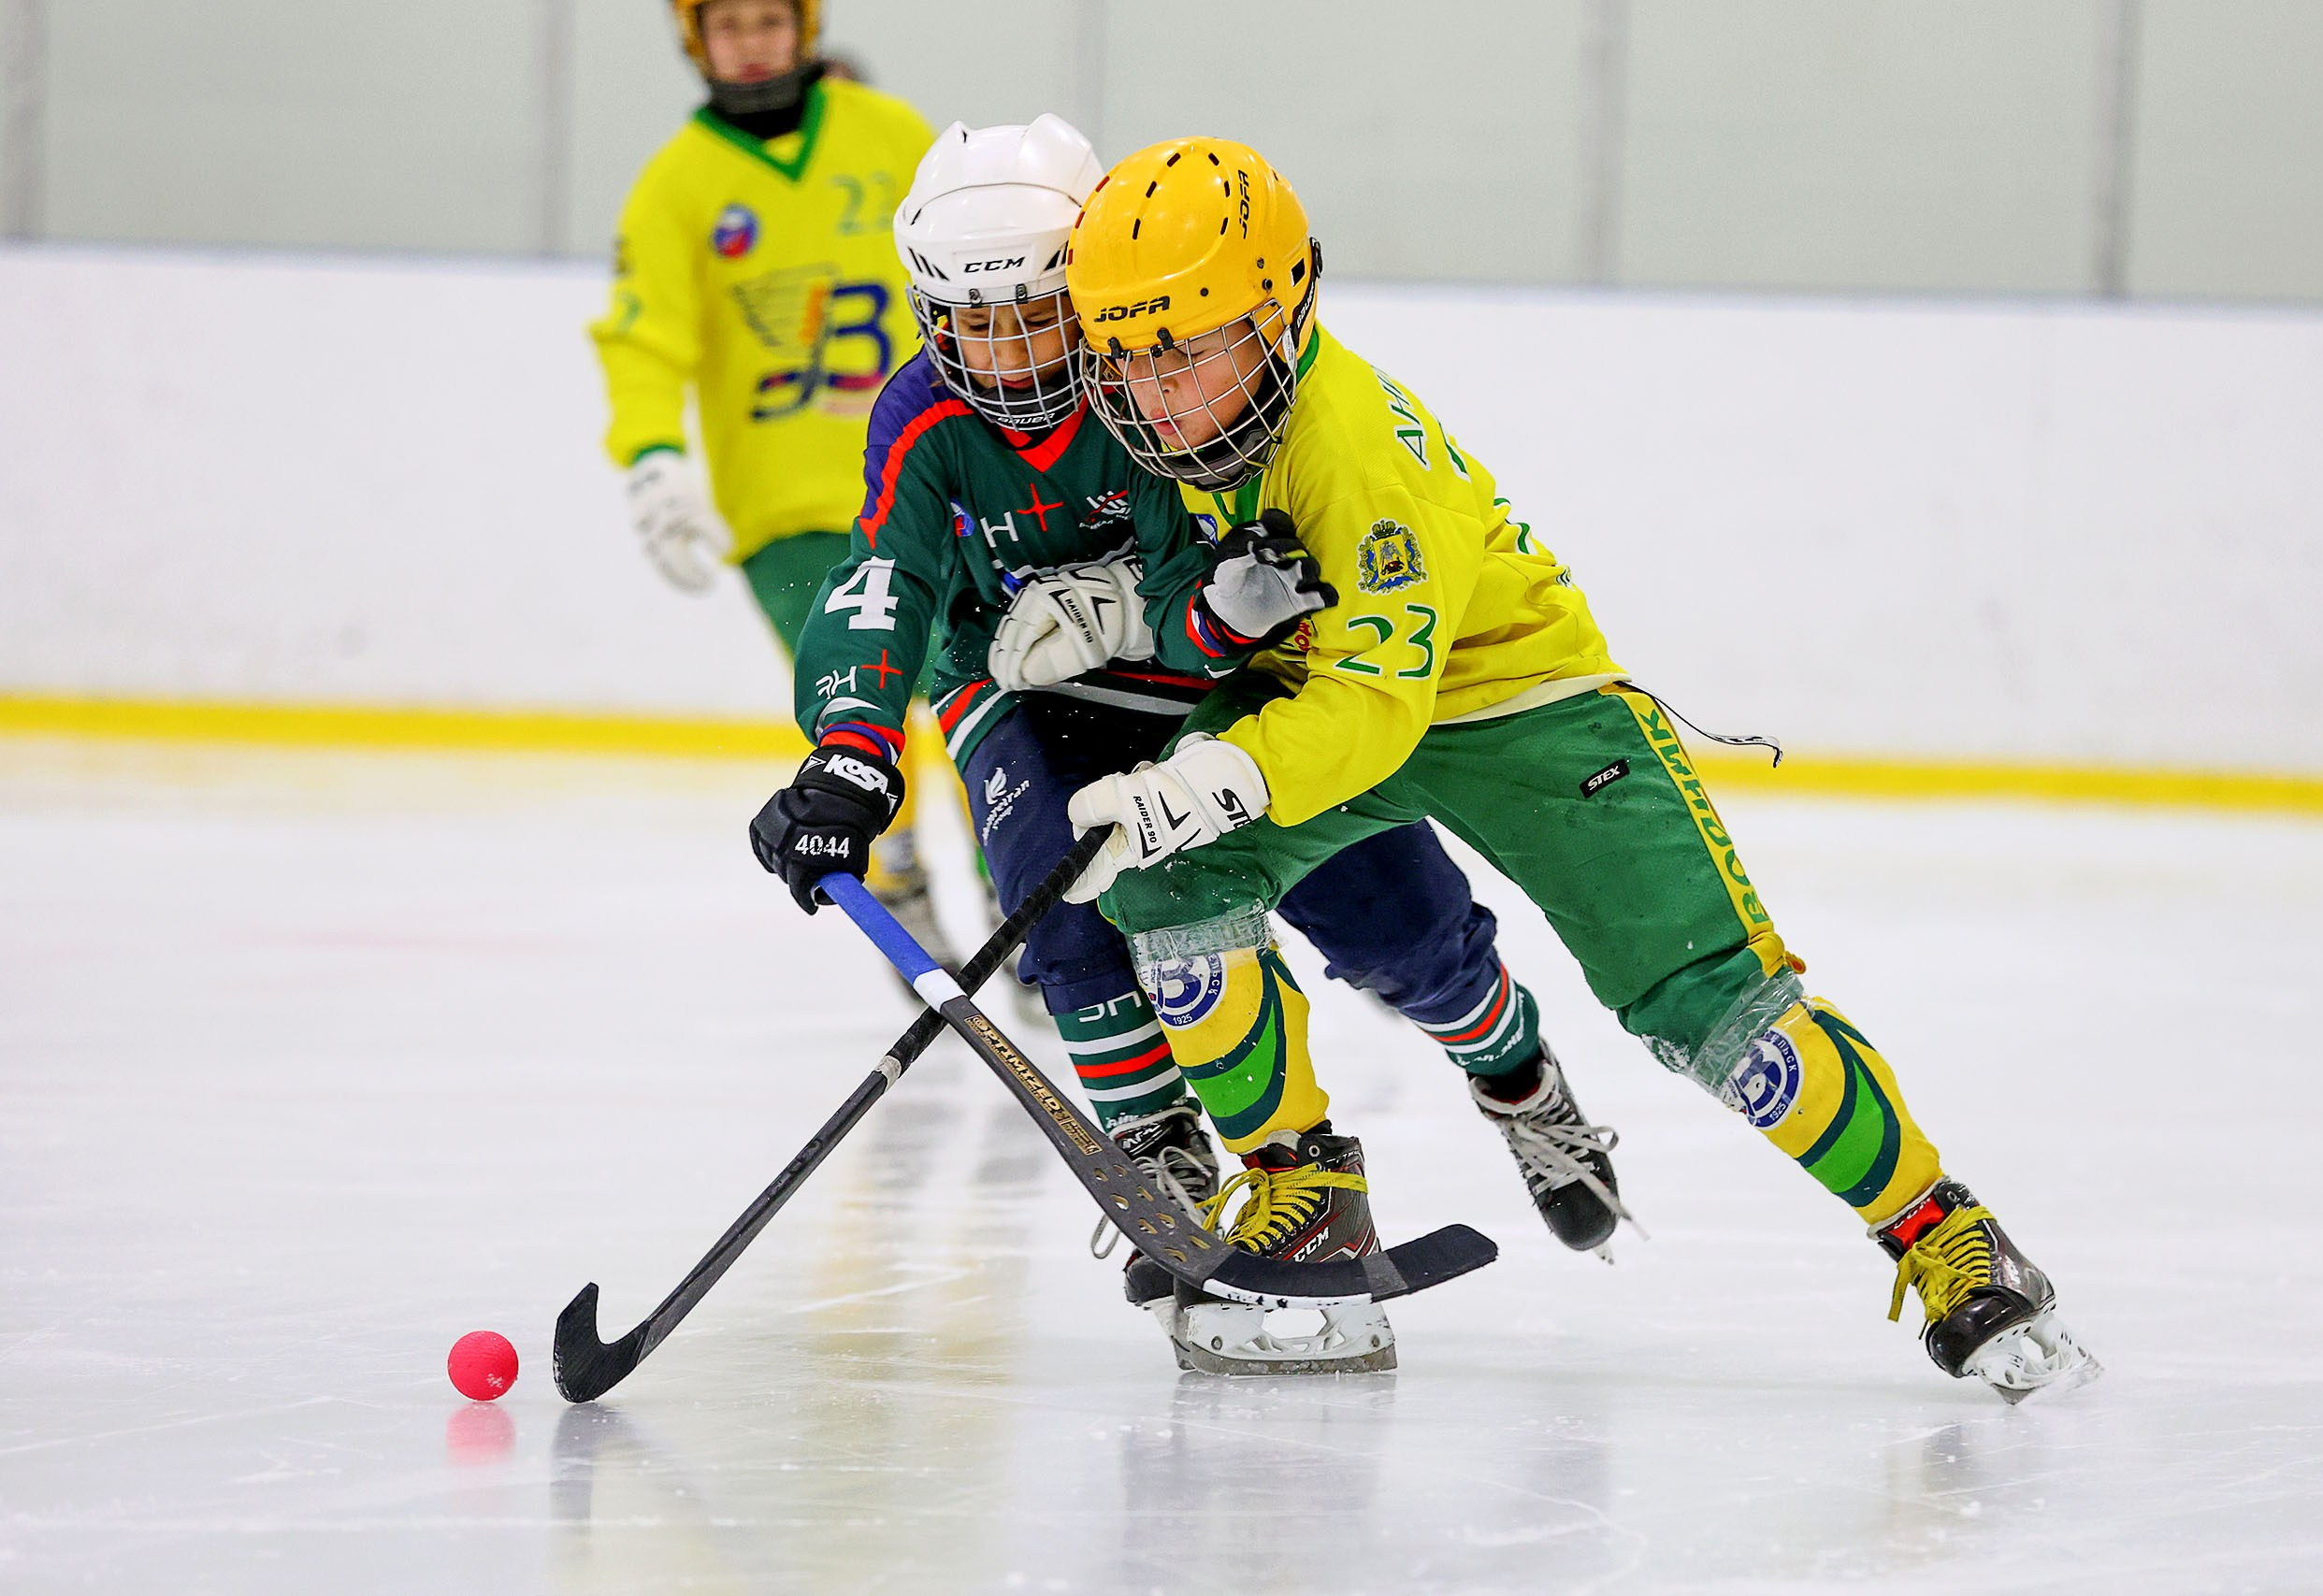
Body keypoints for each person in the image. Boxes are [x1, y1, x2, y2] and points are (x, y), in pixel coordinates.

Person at [1052, 137, 2100, 1402]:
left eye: (1186, 347)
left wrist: (1193, 779)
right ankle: (1306, 1195)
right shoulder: (1196, 436)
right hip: (1332, 698)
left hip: (1524, 712)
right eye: (1124, 353)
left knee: (1722, 1017)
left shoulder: (1352, 449)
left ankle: (1945, 1231)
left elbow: (1378, 710)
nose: (1153, 392)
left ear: (1280, 311)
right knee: (1173, 888)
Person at [747, 117, 1632, 1374]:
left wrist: (1165, 611)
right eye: (970, 323)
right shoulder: (919, 413)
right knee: (1060, 913)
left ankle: (1517, 1073)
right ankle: (1162, 1159)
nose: (1003, 358)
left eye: (1037, 313)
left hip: (1194, 687)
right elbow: (882, 576)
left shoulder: (1164, 374)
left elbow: (1243, 579)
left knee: (1394, 919)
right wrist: (847, 752)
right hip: (1012, 695)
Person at [592, 0, 960, 955]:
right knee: (863, 703)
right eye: (727, 24)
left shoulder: (888, 135)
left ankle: (1021, 899)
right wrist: (651, 457)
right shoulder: (676, 186)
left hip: (926, 482)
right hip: (784, 515)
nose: (750, 40)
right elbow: (643, 336)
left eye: (768, 18)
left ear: (803, 27)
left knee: (971, 690)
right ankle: (898, 880)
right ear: (694, 41)